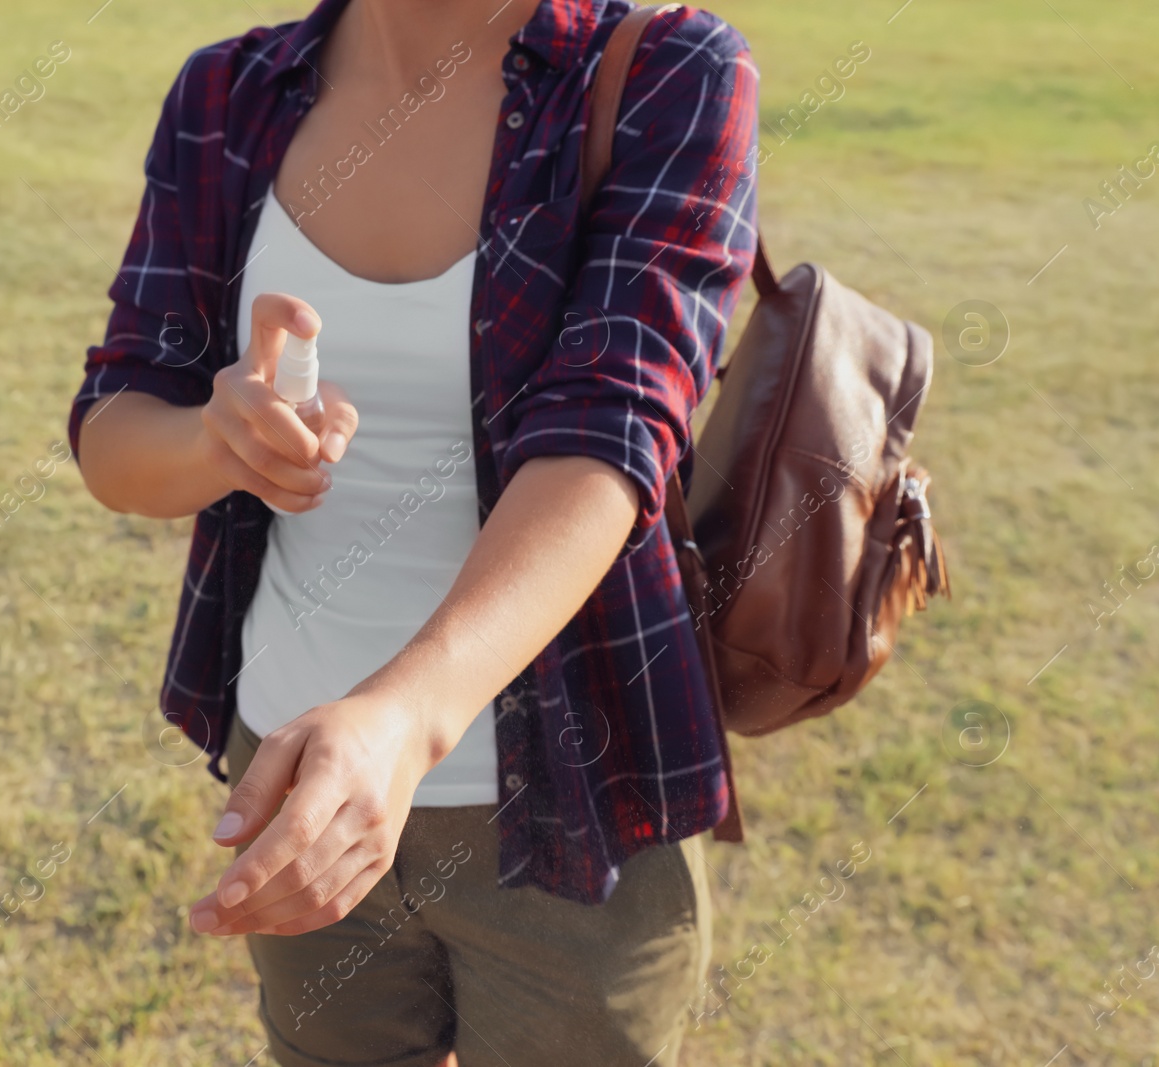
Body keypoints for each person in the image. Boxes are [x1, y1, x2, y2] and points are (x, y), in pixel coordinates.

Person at [69, 0, 758, 1062]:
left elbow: (609, 431)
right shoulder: (226, 93)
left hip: (570, 798)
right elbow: (115, 426)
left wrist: (399, 721)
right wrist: (218, 438)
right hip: (294, 770)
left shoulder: (661, 69)